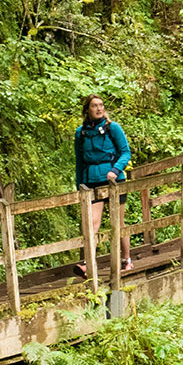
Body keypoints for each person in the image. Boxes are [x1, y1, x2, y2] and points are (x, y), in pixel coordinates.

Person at [73, 94, 133, 277]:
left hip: (114, 180)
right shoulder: (81, 133)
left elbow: (125, 152)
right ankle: (88, 263)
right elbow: (80, 162)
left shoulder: (112, 128)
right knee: (91, 223)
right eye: (94, 105)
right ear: (87, 110)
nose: (99, 108)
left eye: (101, 105)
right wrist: (80, 186)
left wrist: (115, 170)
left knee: (117, 221)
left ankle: (126, 259)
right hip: (92, 181)